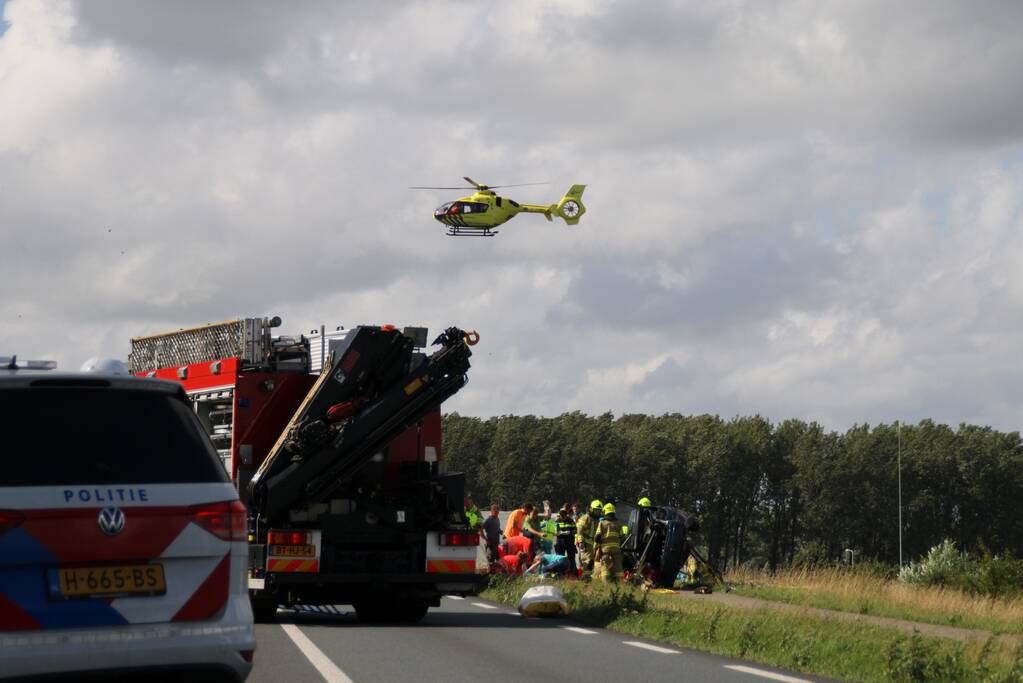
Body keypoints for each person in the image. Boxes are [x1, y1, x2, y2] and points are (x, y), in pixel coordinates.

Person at [593, 503, 624, 583]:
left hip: (605, 549)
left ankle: (606, 584)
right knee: (618, 567)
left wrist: (598, 544)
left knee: (605, 567)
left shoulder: (602, 523)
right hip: (616, 549)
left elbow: (597, 537)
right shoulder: (618, 523)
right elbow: (622, 537)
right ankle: (619, 585)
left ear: (605, 512)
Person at [574, 499, 602, 579]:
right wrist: (581, 541)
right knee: (587, 561)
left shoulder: (597, 520)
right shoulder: (586, 518)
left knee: (591, 562)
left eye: (599, 511)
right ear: (591, 509)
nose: (598, 512)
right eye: (596, 510)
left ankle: (587, 578)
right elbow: (579, 530)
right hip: (585, 543)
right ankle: (585, 579)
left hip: (592, 544)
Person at [555, 506, 578, 575]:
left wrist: (570, 532)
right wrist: (560, 533)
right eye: (561, 515)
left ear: (566, 514)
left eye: (564, 514)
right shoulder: (557, 521)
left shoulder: (571, 521)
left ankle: (573, 573)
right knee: (559, 557)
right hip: (560, 541)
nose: (563, 516)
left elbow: (575, 530)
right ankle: (560, 573)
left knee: (571, 558)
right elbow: (554, 531)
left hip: (569, 541)